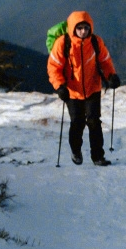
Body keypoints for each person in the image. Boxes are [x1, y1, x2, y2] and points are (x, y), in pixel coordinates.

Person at [47, 10, 119, 166]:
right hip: (72, 92)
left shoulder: (95, 42)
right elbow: (54, 67)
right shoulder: (62, 43)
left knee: (94, 121)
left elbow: (105, 61)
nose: (83, 31)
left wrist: (111, 76)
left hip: (93, 88)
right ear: (73, 28)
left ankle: (98, 157)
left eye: (86, 28)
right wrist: (59, 86)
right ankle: (76, 150)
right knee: (77, 122)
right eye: (79, 28)